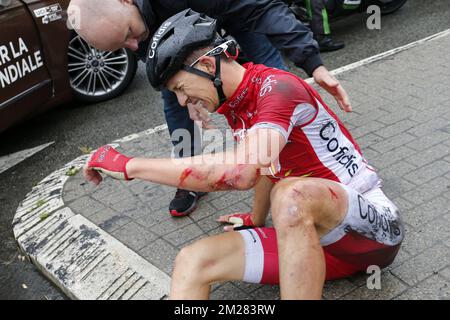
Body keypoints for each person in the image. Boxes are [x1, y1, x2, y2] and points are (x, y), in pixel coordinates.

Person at [83, 10, 404, 299]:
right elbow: (269, 168)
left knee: (290, 195)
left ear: (207, 66)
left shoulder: (277, 88)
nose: (182, 102)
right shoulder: (238, 105)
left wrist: (129, 165)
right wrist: (255, 219)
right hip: (314, 248)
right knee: (191, 261)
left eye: (181, 88)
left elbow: (241, 173)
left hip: (371, 234)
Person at [68, 0, 352, 218]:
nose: (134, 44)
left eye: (129, 33)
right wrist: (187, 94)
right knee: (174, 103)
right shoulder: (126, 28)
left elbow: (261, 7)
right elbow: (161, 71)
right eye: (123, 46)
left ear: (126, 0)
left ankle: (316, 159)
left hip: (236, 15)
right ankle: (191, 177)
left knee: (273, 83)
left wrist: (313, 62)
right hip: (177, 45)